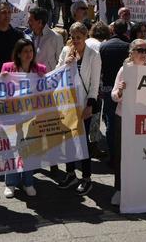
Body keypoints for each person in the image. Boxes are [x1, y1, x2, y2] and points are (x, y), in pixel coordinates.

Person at [55, 23, 102, 195]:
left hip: (84, 106)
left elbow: (94, 84)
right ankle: (70, 173)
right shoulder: (66, 51)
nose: (75, 41)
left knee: (83, 143)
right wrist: (65, 65)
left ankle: (87, 177)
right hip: (67, 105)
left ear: (85, 37)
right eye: (73, 37)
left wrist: (90, 105)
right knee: (68, 141)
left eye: (79, 38)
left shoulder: (93, 55)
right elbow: (56, 73)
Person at [0, 39, 47, 198]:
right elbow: (0, 91)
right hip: (11, 116)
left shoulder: (40, 69)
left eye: (31, 51)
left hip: (31, 117)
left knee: (29, 149)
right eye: (25, 51)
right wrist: (2, 79)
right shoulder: (8, 68)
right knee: (12, 149)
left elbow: (48, 89)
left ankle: (28, 182)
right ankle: (11, 183)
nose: (28, 54)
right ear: (18, 53)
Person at [110, 38, 146, 206]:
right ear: (131, 53)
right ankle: (120, 189)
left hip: (145, 120)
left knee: (142, 154)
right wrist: (120, 90)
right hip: (125, 118)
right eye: (140, 50)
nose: (143, 54)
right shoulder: (124, 70)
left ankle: (140, 189)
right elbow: (114, 96)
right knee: (122, 155)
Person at [98, 20, 130, 171]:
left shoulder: (104, 46)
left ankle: (113, 157)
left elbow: (100, 69)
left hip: (109, 87)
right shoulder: (129, 46)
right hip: (126, 89)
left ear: (113, 30)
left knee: (111, 124)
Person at [26, 7, 63, 72]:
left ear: (40, 22)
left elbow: (60, 61)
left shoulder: (55, 37)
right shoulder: (27, 37)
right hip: (32, 77)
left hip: (48, 78)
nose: (28, 22)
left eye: (31, 20)